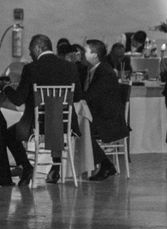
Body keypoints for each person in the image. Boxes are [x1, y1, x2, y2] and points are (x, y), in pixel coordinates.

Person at [1, 34, 82, 186]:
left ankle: (26, 166)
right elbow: (77, 96)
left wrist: (6, 88)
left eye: (31, 50)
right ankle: (55, 166)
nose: (31, 54)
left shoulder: (31, 68)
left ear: (38, 48)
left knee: (6, 132)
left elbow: (18, 99)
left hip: (38, 124)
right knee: (54, 122)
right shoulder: (70, 67)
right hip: (65, 124)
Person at [83, 39, 130, 181]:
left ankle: (106, 164)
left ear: (94, 55)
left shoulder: (104, 72)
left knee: (80, 129)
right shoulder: (95, 70)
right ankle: (101, 163)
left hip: (109, 119)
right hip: (100, 114)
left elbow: (92, 96)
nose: (82, 54)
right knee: (77, 126)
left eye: (85, 51)